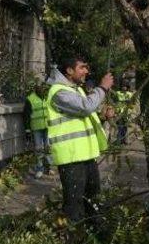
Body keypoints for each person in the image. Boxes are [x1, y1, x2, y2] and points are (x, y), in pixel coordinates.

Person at [45, 56, 113, 224]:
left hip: (86, 157)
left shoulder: (75, 90)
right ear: (69, 71)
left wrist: (102, 117)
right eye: (82, 67)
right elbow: (86, 106)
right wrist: (103, 88)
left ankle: (94, 243)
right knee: (74, 208)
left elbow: (82, 119)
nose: (86, 71)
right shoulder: (59, 92)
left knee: (93, 202)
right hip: (72, 159)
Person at [23, 82, 52, 179]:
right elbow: (26, 116)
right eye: (39, 87)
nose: (41, 89)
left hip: (47, 127)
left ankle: (48, 168)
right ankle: (40, 169)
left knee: (48, 148)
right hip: (36, 128)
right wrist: (27, 130)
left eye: (42, 88)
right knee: (39, 149)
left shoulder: (46, 97)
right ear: (35, 89)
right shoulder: (30, 99)